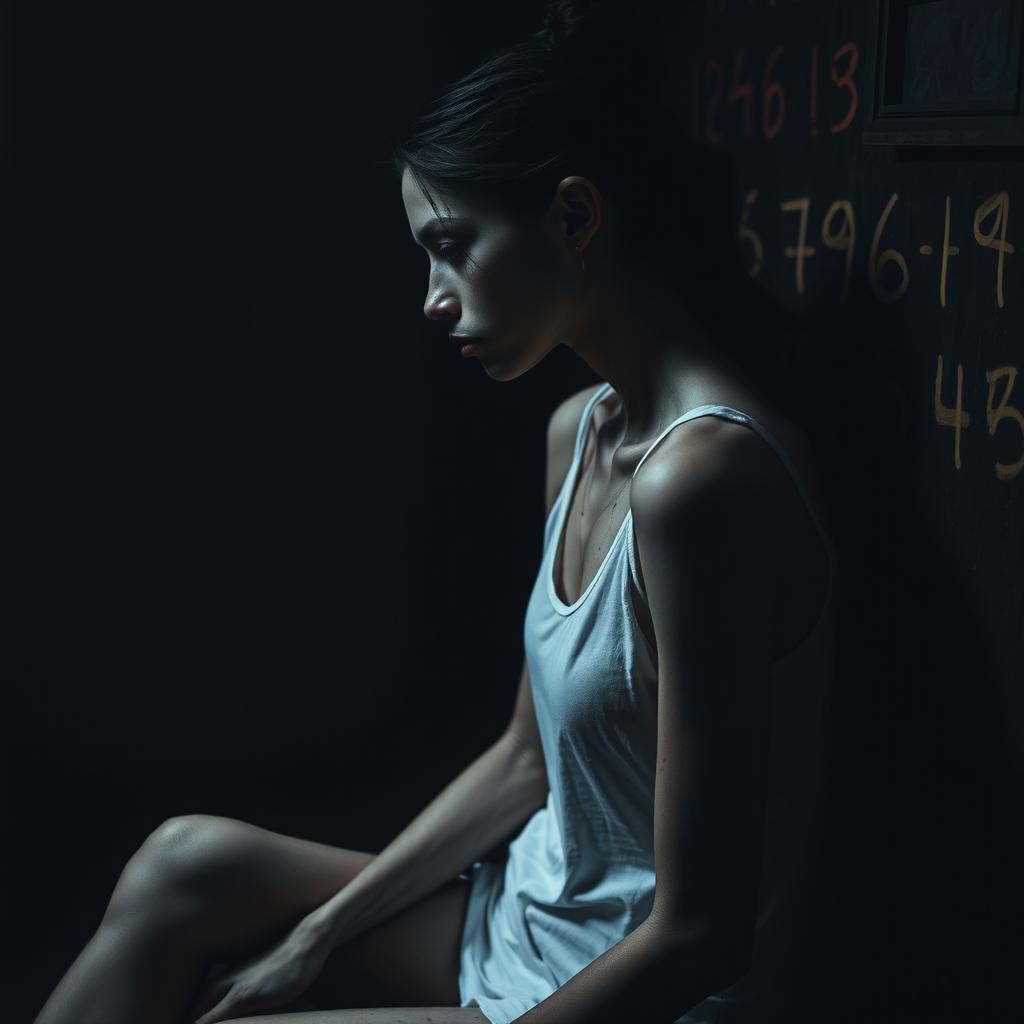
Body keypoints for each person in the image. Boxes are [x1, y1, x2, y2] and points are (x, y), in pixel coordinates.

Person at [33, 2, 837, 1023]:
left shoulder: (703, 482)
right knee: (180, 864)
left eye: (452, 246)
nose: (432, 296)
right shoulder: (578, 431)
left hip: (624, 991)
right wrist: (311, 941)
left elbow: (700, 933)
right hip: (523, 921)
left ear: (574, 218)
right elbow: (522, 760)